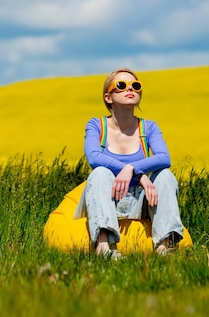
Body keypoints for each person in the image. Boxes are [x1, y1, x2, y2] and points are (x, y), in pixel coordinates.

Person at [74, 68, 184, 258]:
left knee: (165, 175)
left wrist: (133, 169)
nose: (130, 89)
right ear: (108, 97)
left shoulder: (148, 127)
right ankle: (103, 249)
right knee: (100, 172)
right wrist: (132, 172)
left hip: (139, 201)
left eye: (136, 86)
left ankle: (164, 250)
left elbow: (164, 158)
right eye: (122, 86)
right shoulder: (96, 125)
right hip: (106, 197)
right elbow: (93, 158)